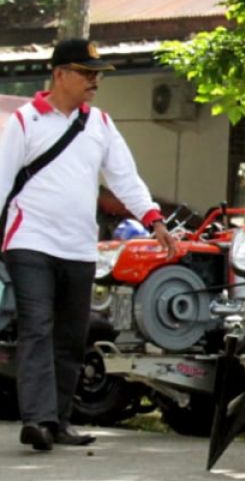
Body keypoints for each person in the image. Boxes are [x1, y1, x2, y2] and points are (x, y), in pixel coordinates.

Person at [0, 39, 178, 451]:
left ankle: (59, 421)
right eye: (86, 73)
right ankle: (38, 420)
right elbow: (3, 181)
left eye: (97, 74)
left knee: (69, 335)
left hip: (79, 246)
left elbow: (124, 178)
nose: (94, 81)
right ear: (59, 74)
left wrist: (153, 221)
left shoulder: (99, 123)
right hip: (29, 240)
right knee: (37, 327)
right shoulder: (26, 121)